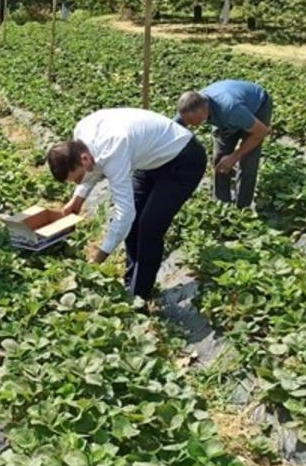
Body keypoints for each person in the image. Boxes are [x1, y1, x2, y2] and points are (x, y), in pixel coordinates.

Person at [47, 108, 207, 301]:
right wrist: (77, 198)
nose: (78, 182)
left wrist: (100, 256)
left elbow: (125, 213)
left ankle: (139, 299)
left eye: (78, 178)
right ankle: (131, 284)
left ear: (83, 158)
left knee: (149, 227)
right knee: (134, 226)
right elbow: (93, 167)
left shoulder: (114, 147)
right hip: (149, 159)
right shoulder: (81, 135)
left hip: (184, 159)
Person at [175, 80, 272, 208]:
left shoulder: (230, 109)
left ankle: (242, 206)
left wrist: (234, 156)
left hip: (256, 106)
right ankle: (221, 203)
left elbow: (261, 132)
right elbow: (173, 130)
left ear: (204, 110)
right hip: (228, 117)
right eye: (187, 120)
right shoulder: (189, 108)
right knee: (220, 158)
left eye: (193, 120)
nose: (190, 124)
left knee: (248, 160)